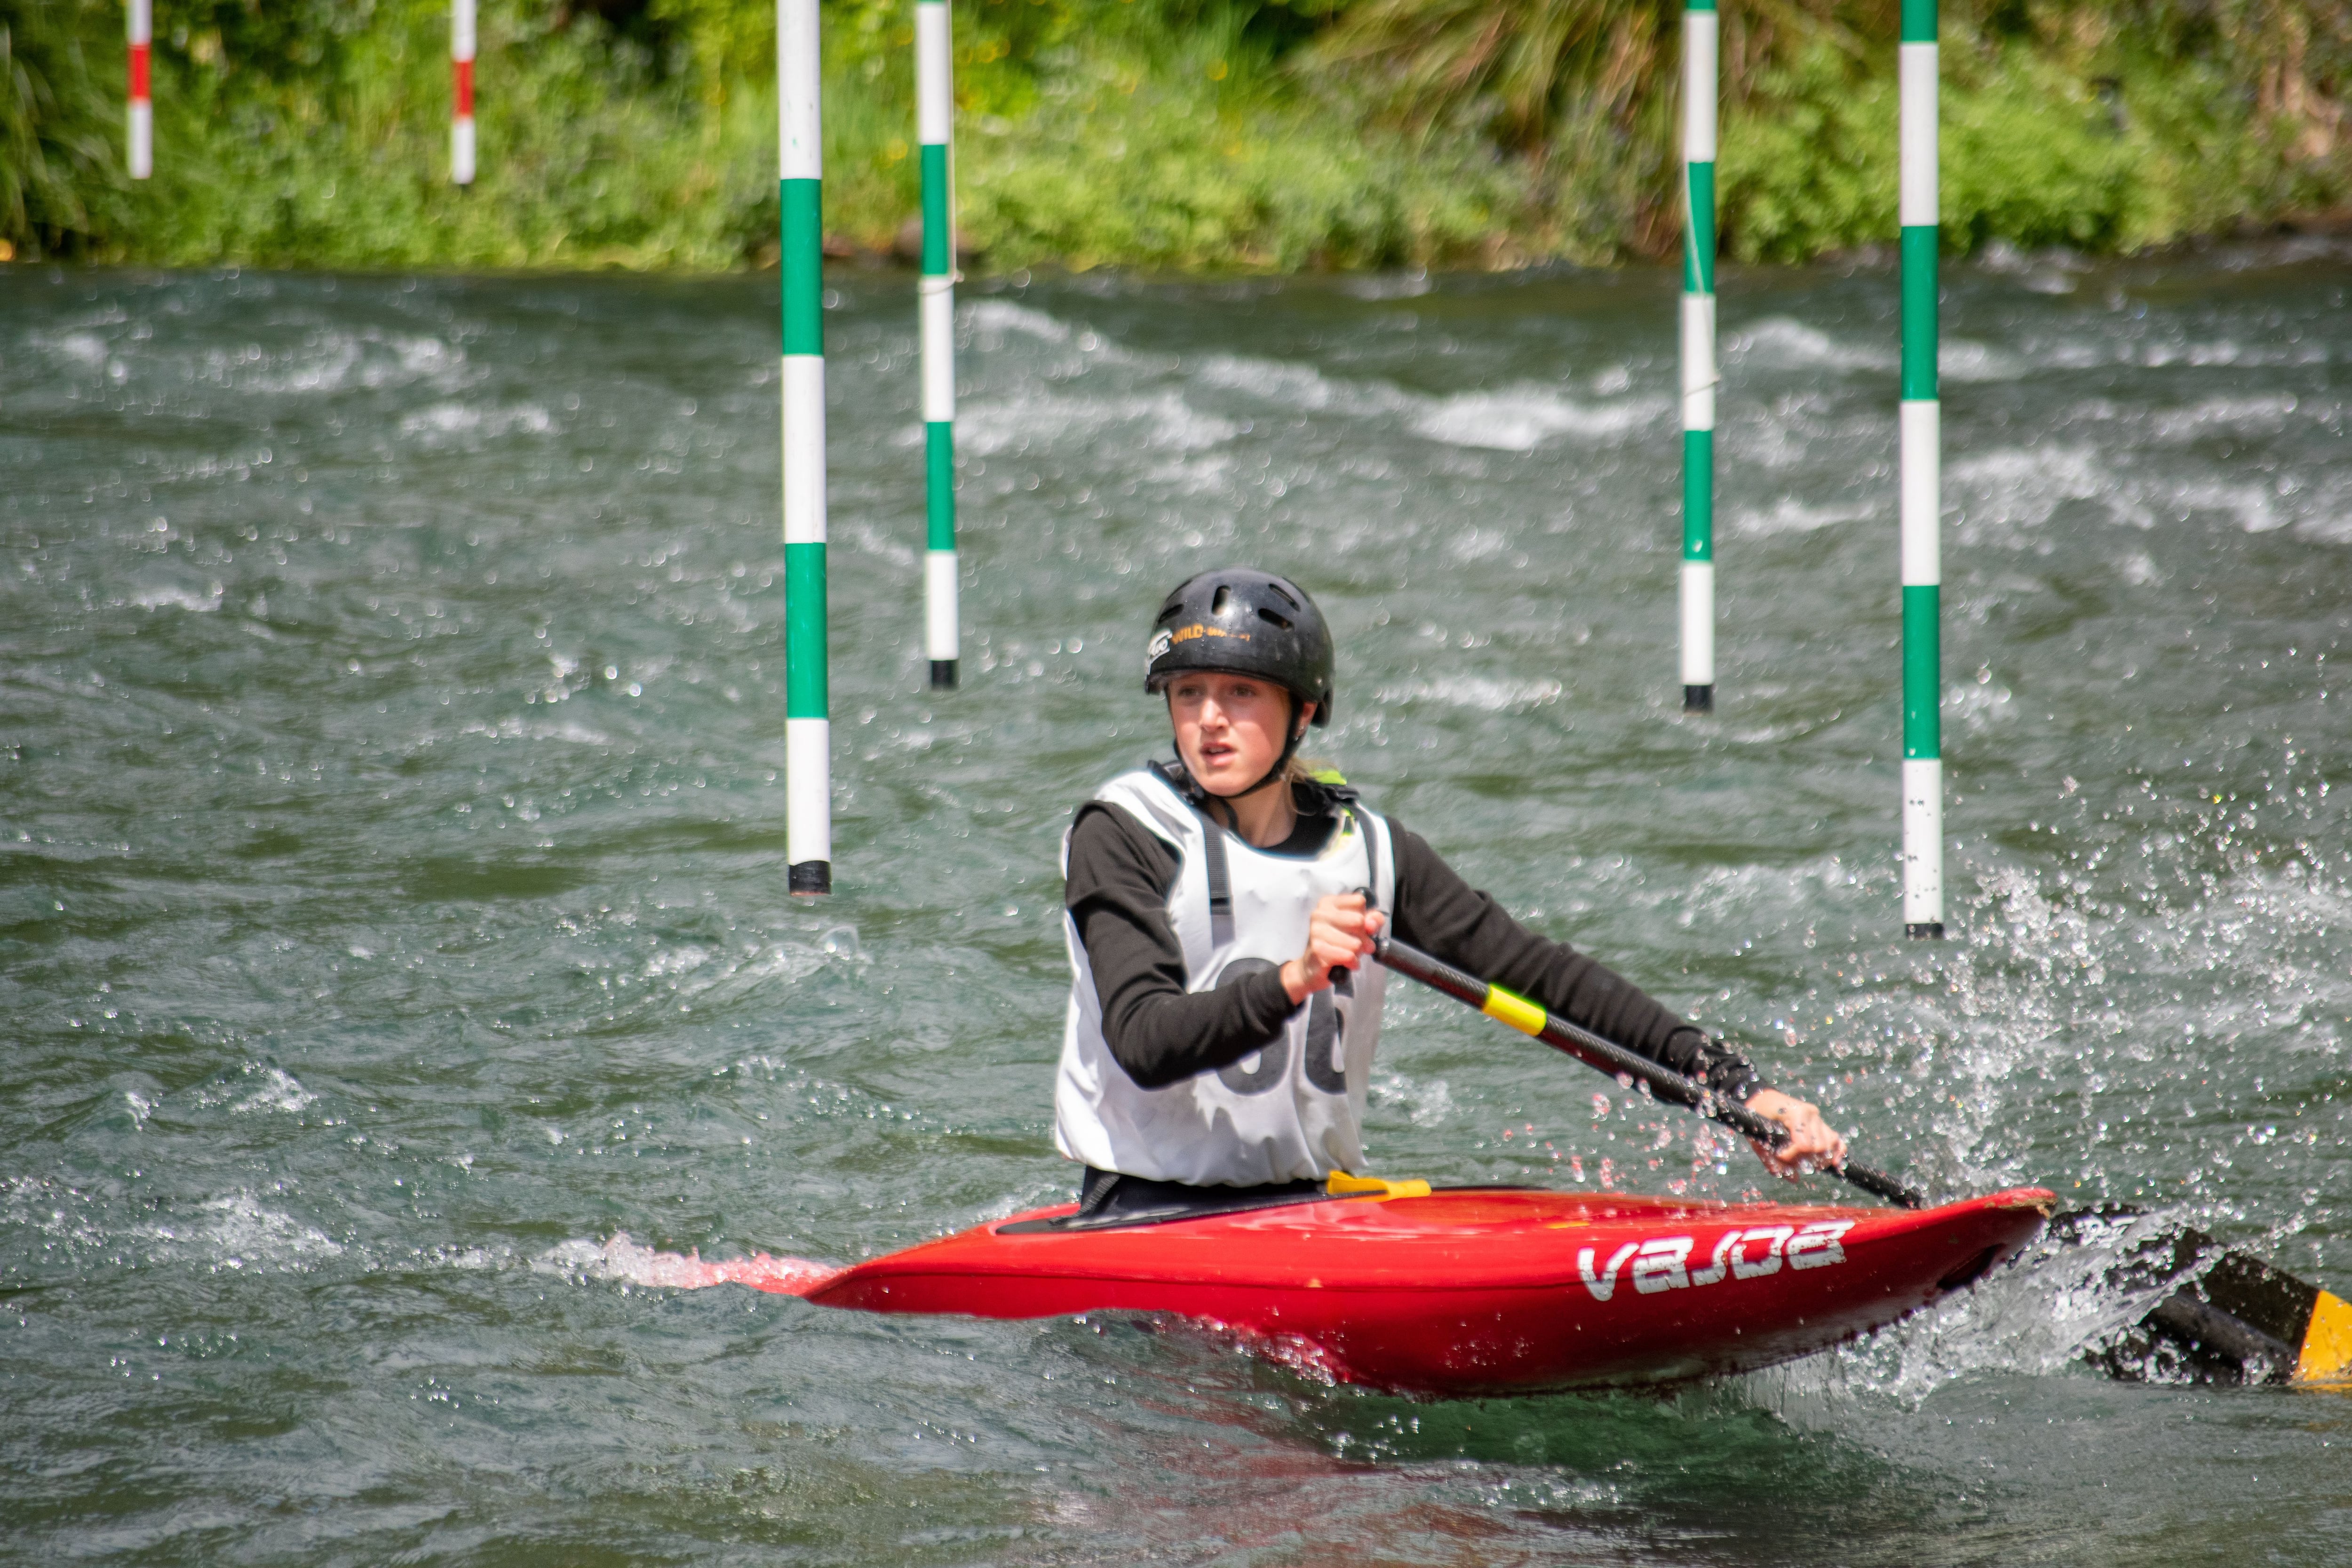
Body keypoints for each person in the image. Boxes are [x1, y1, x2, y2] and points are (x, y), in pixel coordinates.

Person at [1053, 567, 1846, 1220]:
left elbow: (1542, 980)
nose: (1210, 721)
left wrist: (1739, 1090)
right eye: (1188, 693)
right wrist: (1293, 978)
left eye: (1241, 693)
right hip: (1142, 1212)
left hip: (1305, 1210)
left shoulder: (1367, 846)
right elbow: (1144, 1039)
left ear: (1303, 713)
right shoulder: (1124, 831)